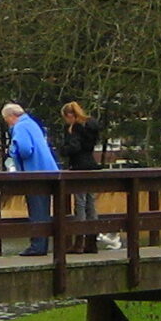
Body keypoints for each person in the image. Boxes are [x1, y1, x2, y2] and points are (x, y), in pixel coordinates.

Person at [1, 101, 60, 254]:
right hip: (48, 171)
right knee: (44, 210)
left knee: (37, 210)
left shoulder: (20, 126)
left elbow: (26, 150)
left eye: (6, 119)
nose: (7, 123)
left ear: (11, 116)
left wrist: (12, 151)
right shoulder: (32, 124)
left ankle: (37, 247)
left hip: (36, 173)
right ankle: (42, 245)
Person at [57, 100, 103, 250]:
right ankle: (92, 241)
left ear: (70, 115)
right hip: (91, 165)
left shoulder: (75, 127)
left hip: (78, 167)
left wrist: (63, 150)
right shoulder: (91, 125)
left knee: (80, 203)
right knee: (91, 203)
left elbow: (74, 147)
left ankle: (79, 242)